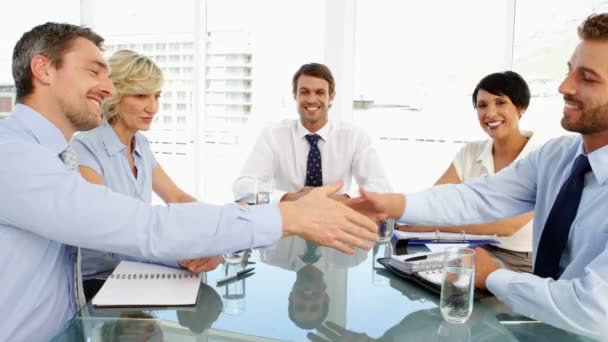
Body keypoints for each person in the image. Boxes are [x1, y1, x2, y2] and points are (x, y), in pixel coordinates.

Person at [0, 23, 378, 341]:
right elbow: (136, 225)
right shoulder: (14, 157)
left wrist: (210, 238)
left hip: (70, 324)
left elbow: (175, 201)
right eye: (94, 71)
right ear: (44, 70)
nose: (109, 87)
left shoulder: (56, 152)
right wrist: (286, 216)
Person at [347, 13, 608, 339]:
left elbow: (595, 311)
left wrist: (493, 275)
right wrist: (389, 204)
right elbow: (479, 197)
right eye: (569, 71)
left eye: (588, 78)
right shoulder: (557, 156)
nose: (564, 87)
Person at [71, 50, 221, 300]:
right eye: (141, 95)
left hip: (137, 272)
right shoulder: (84, 149)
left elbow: (178, 197)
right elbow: (112, 231)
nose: (152, 107)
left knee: (204, 300)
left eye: (157, 96)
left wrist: (219, 232)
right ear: (114, 95)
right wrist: (186, 252)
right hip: (98, 283)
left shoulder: (140, 145)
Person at [399, 71, 538, 273]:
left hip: (522, 260)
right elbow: (437, 199)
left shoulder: (540, 157)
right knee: (411, 275)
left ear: (521, 108)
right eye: (482, 105)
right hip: (475, 250)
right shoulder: (471, 152)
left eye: (500, 103)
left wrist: (431, 226)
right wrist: (402, 213)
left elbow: (507, 226)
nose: (490, 113)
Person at [232, 63, 391, 204]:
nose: (311, 99)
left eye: (320, 92)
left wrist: (339, 199)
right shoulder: (272, 136)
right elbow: (243, 190)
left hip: (337, 226)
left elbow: (382, 189)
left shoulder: (355, 137)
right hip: (288, 227)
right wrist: (287, 197)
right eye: (304, 92)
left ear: (331, 97)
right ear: (295, 95)